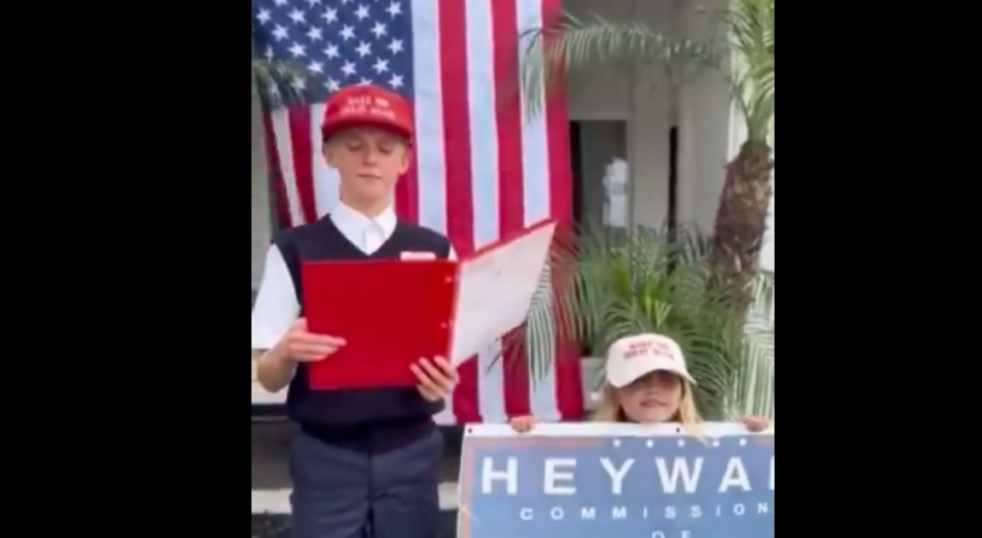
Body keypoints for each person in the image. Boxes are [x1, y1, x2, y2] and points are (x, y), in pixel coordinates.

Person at [251, 84, 460, 538]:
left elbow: (446, 350)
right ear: (329, 155)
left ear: (404, 161)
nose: (370, 159)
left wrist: (445, 377)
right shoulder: (293, 249)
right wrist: (287, 349)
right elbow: (266, 375)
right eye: (354, 146)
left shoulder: (435, 248)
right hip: (327, 453)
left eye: (386, 149)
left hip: (412, 448)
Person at [510, 333, 773, 432]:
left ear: (683, 392)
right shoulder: (581, 448)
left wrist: (760, 441)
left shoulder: (716, 448)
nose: (654, 389)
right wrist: (527, 442)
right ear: (616, 392)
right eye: (638, 379)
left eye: (667, 380)